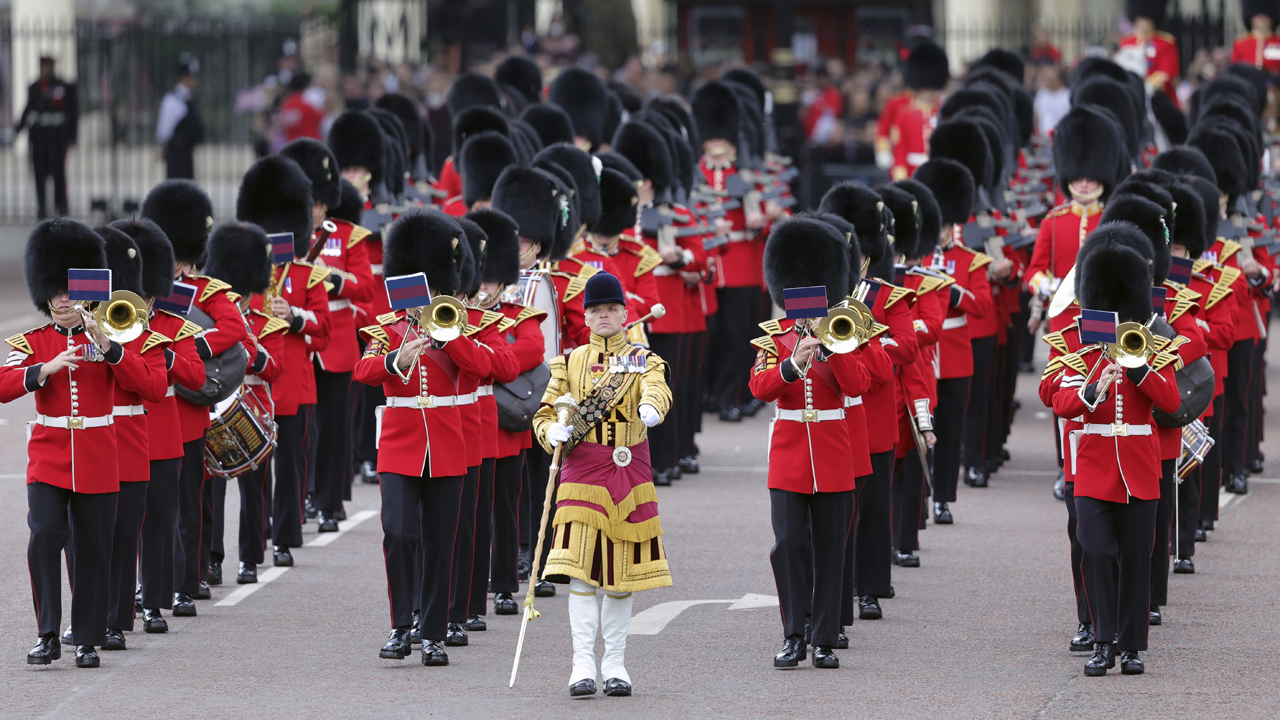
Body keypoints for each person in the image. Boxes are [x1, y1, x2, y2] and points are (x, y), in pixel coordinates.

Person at [8, 220, 151, 668]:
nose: (63, 300)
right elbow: (3, 382)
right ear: (45, 294)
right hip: (49, 457)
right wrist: (43, 370)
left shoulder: (110, 338)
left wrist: (107, 345)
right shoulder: (32, 343)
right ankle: (48, 634)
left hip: (97, 456)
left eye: (69, 291)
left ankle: (87, 638)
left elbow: (145, 382)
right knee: (45, 536)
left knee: (93, 548)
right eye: (55, 293)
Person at [355, 210, 490, 667]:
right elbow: (363, 370)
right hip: (399, 441)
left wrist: (446, 336)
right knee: (398, 531)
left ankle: (431, 633)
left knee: (440, 540)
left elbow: (483, 368)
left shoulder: (459, 323)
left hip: (448, 445)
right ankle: (400, 626)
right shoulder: (385, 327)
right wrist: (396, 357)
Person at [1047, 224, 1182, 677]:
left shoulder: (1148, 343)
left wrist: (1140, 368)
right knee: (1098, 553)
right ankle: (1102, 641)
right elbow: (1053, 393)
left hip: (1140, 469)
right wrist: (1090, 390)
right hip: (1093, 467)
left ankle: (1132, 646)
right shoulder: (1074, 343)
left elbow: (1172, 402)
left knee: (1138, 558)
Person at [533, 271, 673, 697]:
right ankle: (581, 665)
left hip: (629, 473)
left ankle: (615, 664)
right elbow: (543, 413)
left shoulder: (643, 358)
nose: (605, 316)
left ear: (625, 313)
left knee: (620, 576)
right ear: (587, 317)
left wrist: (652, 406)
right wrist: (549, 433)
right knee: (580, 576)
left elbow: (657, 388)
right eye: (597, 310)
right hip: (581, 474)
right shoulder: (570, 362)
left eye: (612, 309)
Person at [749, 217, 878, 671]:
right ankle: (793, 635)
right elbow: (759, 387)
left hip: (833, 451)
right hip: (788, 454)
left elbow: (861, 383)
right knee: (787, 545)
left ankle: (823, 638)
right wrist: (791, 364)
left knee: (831, 549)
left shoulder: (843, 335)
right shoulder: (774, 339)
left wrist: (831, 351)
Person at [141, 179, 248, 613]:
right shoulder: (145, 293)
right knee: (150, 509)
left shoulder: (209, 291)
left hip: (187, 409)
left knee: (189, 503)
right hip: (152, 407)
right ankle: (153, 583)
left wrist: (191, 345)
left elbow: (234, 330)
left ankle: (187, 582)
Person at [235, 155, 332, 567]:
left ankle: (284, 537)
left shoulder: (307, 274)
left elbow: (324, 328)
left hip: (293, 382)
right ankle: (252, 547)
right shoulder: (245, 272)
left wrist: (293, 316)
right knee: (252, 473)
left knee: (290, 466)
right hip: (254, 384)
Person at [199, 222, 287, 584]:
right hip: (217, 407)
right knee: (212, 490)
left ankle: (250, 557)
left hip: (254, 411)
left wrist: (250, 345)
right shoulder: (207, 320)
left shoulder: (267, 324)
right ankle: (212, 558)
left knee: (255, 490)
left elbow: (275, 370)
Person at [876, 41, 947, 181]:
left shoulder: (941, 109)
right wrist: (884, 152)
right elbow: (893, 139)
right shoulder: (901, 109)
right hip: (912, 170)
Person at [18, 56, 77, 219]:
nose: (46, 70)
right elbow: (28, 109)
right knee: (39, 172)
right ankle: (42, 208)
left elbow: (72, 112)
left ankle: (60, 207)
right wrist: (18, 130)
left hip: (57, 136)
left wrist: (72, 136)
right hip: (39, 136)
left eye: (48, 66)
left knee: (58, 172)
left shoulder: (62, 86)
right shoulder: (36, 87)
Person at [1119, 0, 1181, 106]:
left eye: (1146, 18)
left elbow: (1168, 72)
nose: (1143, 22)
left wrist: (1147, 86)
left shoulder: (1165, 43)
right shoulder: (1126, 42)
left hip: (1159, 97)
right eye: (1140, 18)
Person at [157, 54, 205, 180]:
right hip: (175, 154)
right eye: (192, 76)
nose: (195, 80)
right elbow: (164, 130)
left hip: (187, 154)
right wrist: (163, 147)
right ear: (184, 78)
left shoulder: (190, 99)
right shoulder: (172, 100)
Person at [1230, 0, 1280, 73]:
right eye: (1257, 15)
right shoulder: (1240, 43)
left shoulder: (1278, 42)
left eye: (1265, 15)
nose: (1262, 17)